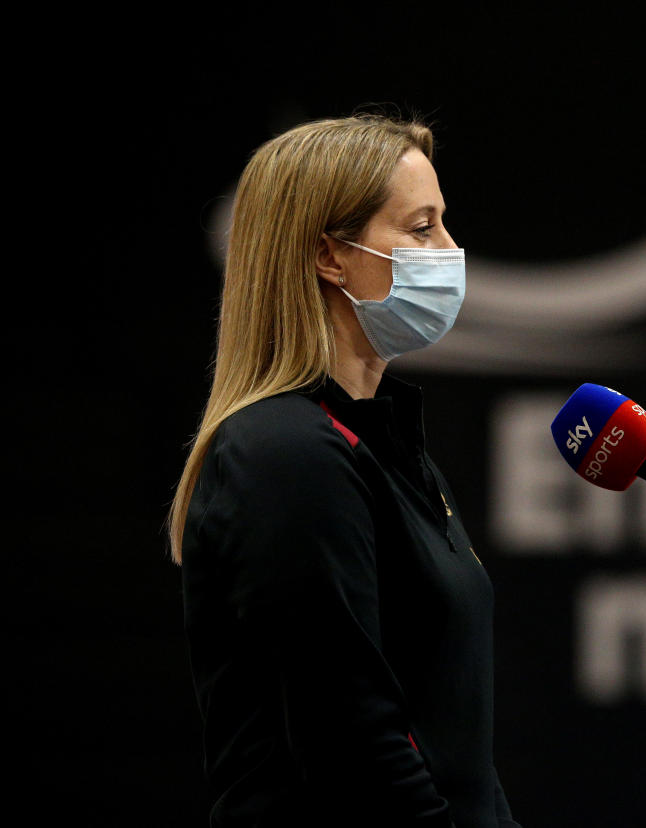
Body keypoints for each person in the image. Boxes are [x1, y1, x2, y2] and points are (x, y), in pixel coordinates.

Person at [169, 114, 520, 827]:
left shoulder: (387, 450)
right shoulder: (284, 455)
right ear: (331, 256)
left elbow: (459, 757)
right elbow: (353, 750)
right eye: (421, 229)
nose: (451, 251)